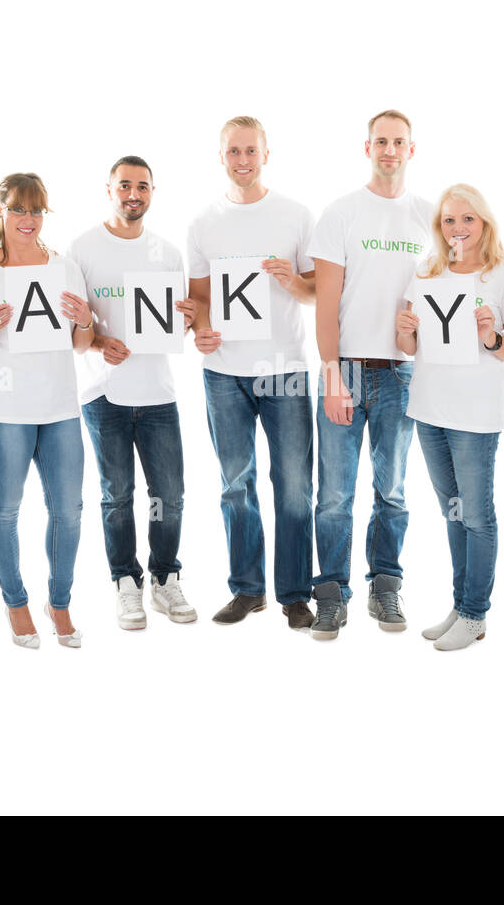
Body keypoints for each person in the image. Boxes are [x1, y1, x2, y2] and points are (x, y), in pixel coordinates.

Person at [188, 117, 317, 630]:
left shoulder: (295, 215)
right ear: (221, 157)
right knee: (234, 484)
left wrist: (294, 283)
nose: (243, 159)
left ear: (267, 154)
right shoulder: (203, 223)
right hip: (224, 372)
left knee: (292, 485)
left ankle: (294, 593)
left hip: (282, 369)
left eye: (251, 150)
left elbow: (316, 292)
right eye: (233, 151)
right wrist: (199, 330)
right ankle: (247, 589)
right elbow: (199, 300)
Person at [309, 109, 433, 640]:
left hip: (403, 373)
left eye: (398, 142)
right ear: (367, 148)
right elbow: (326, 302)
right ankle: (332, 593)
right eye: (380, 141)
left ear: (412, 149)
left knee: (394, 491)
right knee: (334, 493)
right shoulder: (341, 213)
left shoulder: (431, 217)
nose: (389, 150)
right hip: (349, 370)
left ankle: (386, 585)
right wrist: (332, 374)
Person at [0, 173, 93, 649]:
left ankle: (59, 602)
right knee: (5, 507)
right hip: (3, 410)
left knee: (69, 510)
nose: (28, 220)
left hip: (59, 407)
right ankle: (16, 603)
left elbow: (81, 345)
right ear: (1, 211)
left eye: (36, 211)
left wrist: (85, 321)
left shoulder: (66, 267)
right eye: (19, 209)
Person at [395, 184, 504, 651]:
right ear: (439, 228)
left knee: (477, 517)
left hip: (475, 417)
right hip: (429, 409)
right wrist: (404, 331)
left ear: (484, 223)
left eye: (467, 219)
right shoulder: (427, 272)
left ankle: (475, 614)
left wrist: (491, 337)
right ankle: (461, 605)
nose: (458, 228)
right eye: (449, 220)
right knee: (452, 515)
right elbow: (411, 349)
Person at [68, 155, 197, 630]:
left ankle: (165, 578)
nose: (133, 194)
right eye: (124, 185)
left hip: (158, 391)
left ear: (152, 192)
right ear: (109, 190)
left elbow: (172, 329)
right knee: (116, 494)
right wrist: (101, 342)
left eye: (142, 186)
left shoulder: (167, 253)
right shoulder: (81, 249)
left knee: (170, 493)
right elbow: (71, 328)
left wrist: (185, 322)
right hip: (103, 393)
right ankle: (126, 582)